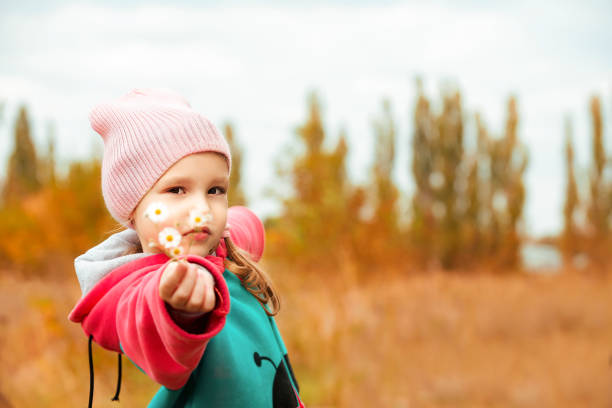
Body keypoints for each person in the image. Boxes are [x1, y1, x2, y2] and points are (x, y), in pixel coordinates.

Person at [68, 88, 304, 408]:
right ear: (133, 210)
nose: (202, 210)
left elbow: (243, 223)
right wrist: (180, 310)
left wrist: (235, 231)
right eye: (177, 189)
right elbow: (147, 322)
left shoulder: (221, 245)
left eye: (215, 189)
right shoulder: (137, 290)